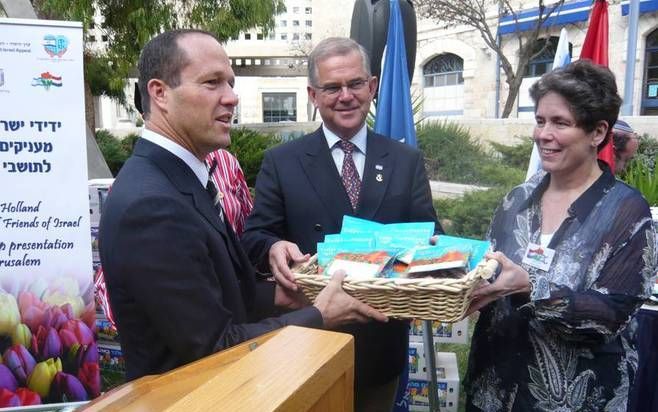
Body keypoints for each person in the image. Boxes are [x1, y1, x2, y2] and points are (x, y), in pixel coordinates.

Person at [98, 29, 387, 381]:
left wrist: (283, 296)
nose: (232, 97)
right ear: (160, 93)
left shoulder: (180, 180)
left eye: (231, 84)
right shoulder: (151, 205)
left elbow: (222, 296)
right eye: (212, 83)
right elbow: (214, 346)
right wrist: (318, 315)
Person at [241, 37, 441, 411]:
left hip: (380, 342)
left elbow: (431, 235)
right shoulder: (282, 162)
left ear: (373, 86)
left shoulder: (405, 160)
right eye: (332, 87)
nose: (345, 96)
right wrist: (271, 248)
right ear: (313, 95)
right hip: (307, 343)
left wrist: (438, 258)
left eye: (355, 84)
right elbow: (255, 236)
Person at [463, 60, 656, 410]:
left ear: (597, 133)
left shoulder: (629, 213)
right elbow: (488, 270)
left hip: (576, 399)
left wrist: (530, 287)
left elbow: (611, 315)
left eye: (560, 123)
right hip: (494, 389)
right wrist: (448, 273)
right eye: (540, 121)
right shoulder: (516, 200)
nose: (543, 134)